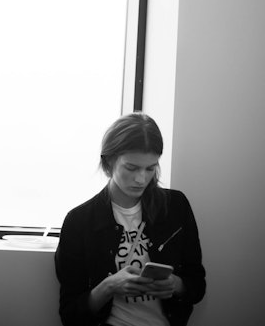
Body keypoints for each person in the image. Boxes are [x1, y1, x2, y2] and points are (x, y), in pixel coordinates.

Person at [55, 112, 206, 326]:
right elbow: (71, 315)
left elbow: (197, 286)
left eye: (150, 168)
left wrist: (175, 284)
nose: (141, 179)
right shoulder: (79, 221)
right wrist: (109, 287)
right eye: (131, 168)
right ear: (108, 164)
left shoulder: (176, 206)